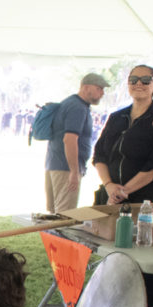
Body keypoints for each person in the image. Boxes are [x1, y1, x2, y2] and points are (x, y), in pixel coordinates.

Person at [92, 65, 153, 307]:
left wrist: (125, 190)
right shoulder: (116, 117)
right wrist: (110, 186)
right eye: (133, 79)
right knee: (112, 251)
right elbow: (99, 155)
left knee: (147, 252)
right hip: (110, 197)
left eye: (145, 80)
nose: (139, 84)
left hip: (144, 199)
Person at [44, 73, 108, 213]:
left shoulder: (69, 102)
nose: (102, 93)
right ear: (85, 87)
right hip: (65, 168)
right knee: (65, 215)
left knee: (55, 214)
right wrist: (74, 170)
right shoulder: (77, 107)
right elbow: (69, 139)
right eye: (99, 88)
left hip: (55, 164)